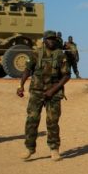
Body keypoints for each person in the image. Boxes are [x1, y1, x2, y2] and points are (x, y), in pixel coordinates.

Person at [17, 30, 71, 162]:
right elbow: (27, 70)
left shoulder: (60, 56)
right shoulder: (36, 54)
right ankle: (29, 148)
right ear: (44, 40)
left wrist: (53, 90)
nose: (51, 41)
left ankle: (54, 150)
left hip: (54, 93)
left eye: (53, 39)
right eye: (49, 39)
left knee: (52, 121)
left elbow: (66, 75)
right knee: (32, 120)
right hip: (36, 91)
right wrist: (21, 85)